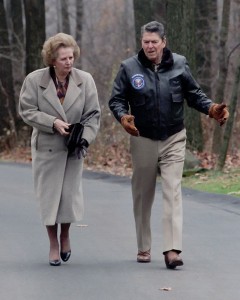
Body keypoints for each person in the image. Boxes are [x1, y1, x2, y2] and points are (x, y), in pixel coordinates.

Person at [108, 21, 229, 269]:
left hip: (174, 136)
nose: (150, 46)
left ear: (164, 41)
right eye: (146, 41)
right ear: (141, 42)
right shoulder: (129, 68)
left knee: (172, 190)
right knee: (143, 195)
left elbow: (194, 94)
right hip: (142, 137)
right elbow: (116, 99)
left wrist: (211, 109)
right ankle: (143, 245)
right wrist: (123, 117)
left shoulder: (179, 64)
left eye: (154, 41)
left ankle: (172, 250)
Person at [19, 33, 101, 266]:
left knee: (69, 196)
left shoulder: (85, 80)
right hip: (47, 147)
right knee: (49, 198)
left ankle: (65, 235)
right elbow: (26, 110)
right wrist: (51, 122)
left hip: (73, 147)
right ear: (52, 60)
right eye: (63, 58)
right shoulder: (35, 80)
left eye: (71, 57)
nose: (69, 62)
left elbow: (93, 114)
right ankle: (53, 243)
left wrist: (84, 138)